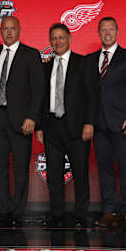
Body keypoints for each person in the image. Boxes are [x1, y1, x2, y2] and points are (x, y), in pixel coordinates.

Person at [35, 23, 98, 228]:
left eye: (61, 37)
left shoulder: (83, 63)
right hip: (52, 125)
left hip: (78, 127)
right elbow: (41, 99)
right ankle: (57, 215)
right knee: (54, 174)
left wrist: (90, 123)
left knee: (80, 173)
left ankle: (80, 215)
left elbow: (92, 96)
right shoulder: (45, 66)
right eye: (53, 38)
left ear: (69, 39)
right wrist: (40, 127)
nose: (57, 42)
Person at [0, 16, 45, 227]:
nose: (9, 32)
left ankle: (17, 212)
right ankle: (4, 209)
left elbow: (38, 89)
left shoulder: (30, 54)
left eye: (13, 28)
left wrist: (32, 117)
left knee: (20, 168)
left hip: (22, 120)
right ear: (0, 31)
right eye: (5, 29)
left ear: (19, 30)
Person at [86, 17, 126, 228]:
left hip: (122, 123)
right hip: (99, 125)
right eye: (103, 30)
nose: (107, 33)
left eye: (110, 29)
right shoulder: (90, 59)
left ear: (117, 31)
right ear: (98, 33)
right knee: (105, 170)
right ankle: (109, 211)